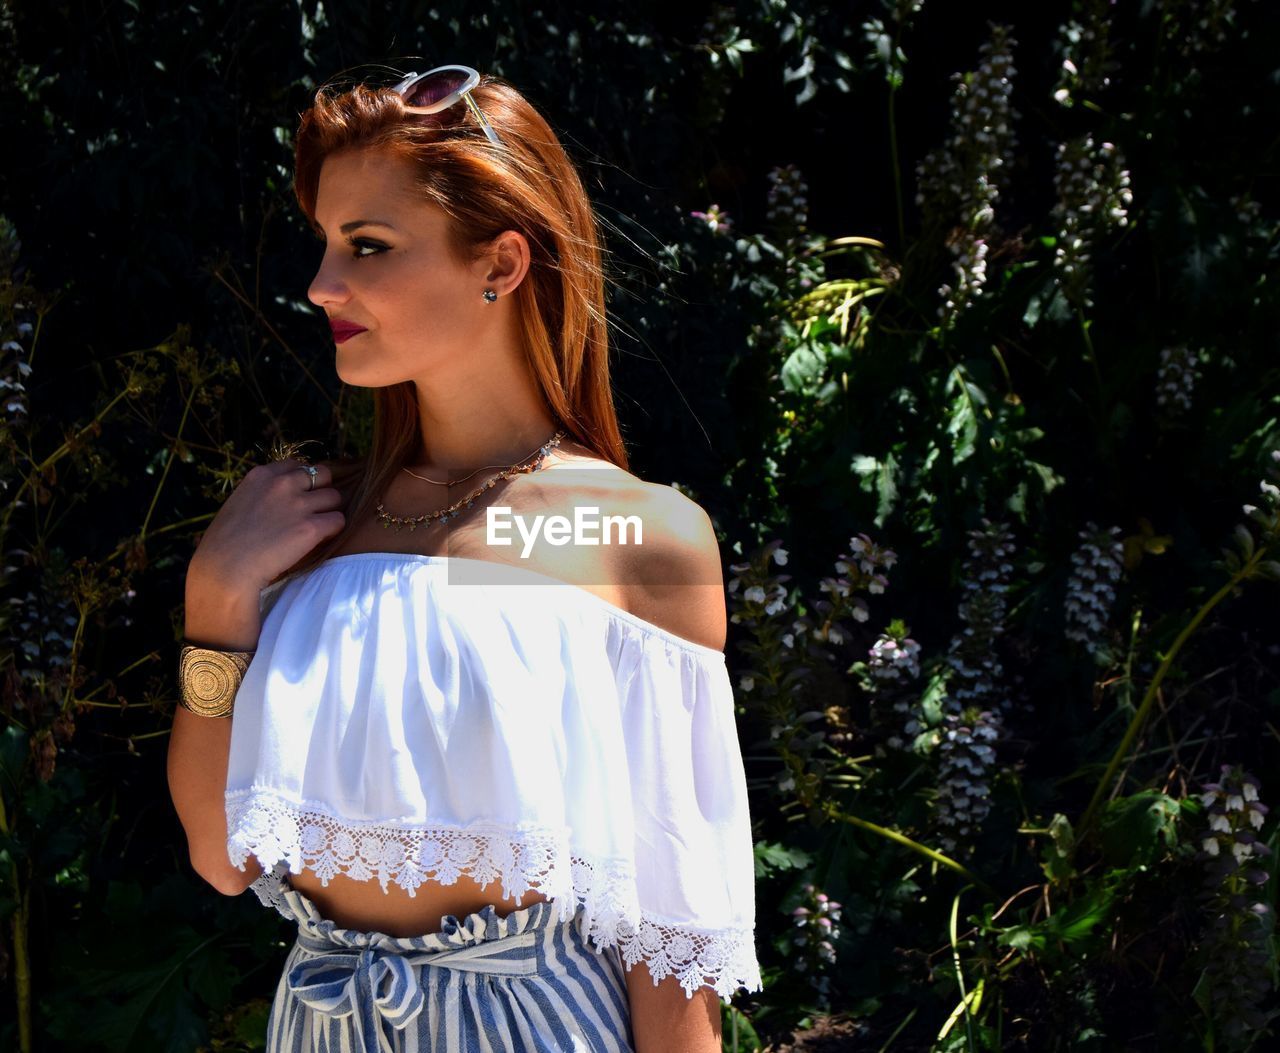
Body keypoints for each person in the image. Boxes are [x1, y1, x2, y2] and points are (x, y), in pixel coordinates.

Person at [167, 64, 760, 1052]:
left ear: (501, 264)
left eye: (368, 246)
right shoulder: (305, 519)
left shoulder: (621, 535)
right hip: (321, 1020)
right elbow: (221, 855)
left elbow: (669, 929)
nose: (320, 287)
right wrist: (217, 594)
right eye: (324, 245)